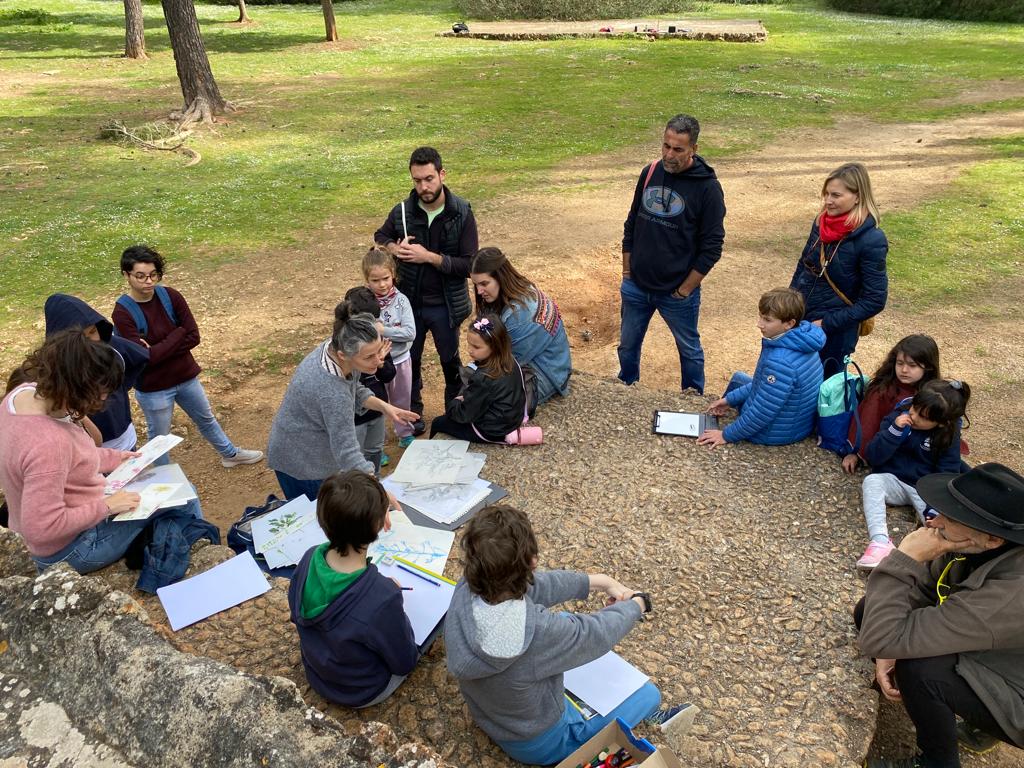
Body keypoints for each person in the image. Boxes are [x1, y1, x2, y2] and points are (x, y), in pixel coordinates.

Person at [445, 505, 690, 765]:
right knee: (649, 695)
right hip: (540, 742)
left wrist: (598, 581)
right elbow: (595, 633)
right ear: (532, 561)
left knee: (562, 624)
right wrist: (636, 605)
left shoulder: (468, 585)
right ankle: (648, 718)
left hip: (489, 714)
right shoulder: (539, 632)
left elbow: (534, 587)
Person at [857, 462, 1024, 768]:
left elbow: (882, 636)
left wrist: (904, 558)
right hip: (999, 649)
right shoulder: (972, 544)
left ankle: (937, 763)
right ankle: (982, 723)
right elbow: (920, 592)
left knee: (922, 668)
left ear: (994, 539)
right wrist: (887, 649)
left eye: (950, 515)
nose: (934, 520)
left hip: (1018, 689)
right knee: (869, 609)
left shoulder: (1011, 593)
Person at [0, 330, 202, 574]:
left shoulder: (21, 395)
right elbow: (41, 527)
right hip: (71, 549)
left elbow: (70, 458)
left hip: (67, 526)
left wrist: (116, 458)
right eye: (99, 394)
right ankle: (202, 560)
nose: (103, 400)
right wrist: (107, 506)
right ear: (76, 388)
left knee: (163, 487)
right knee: (186, 493)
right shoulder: (48, 444)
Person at [111, 245, 263, 468]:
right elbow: (145, 358)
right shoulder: (123, 312)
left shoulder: (170, 296)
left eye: (153, 274)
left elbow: (193, 337)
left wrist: (157, 349)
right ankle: (163, 476)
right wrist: (178, 332)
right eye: (140, 276)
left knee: (206, 419)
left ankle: (229, 455)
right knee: (159, 438)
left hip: (185, 378)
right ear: (126, 275)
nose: (148, 281)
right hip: (154, 389)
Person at [288, 471, 430, 708]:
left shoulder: (309, 557)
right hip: (362, 690)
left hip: (317, 672)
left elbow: (297, 615)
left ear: (323, 522)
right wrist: (394, 602)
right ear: (378, 524)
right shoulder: (382, 598)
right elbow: (404, 662)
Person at [374, 146, 479, 435]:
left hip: (446, 305)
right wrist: (395, 248)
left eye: (429, 179)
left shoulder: (462, 213)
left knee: (449, 360)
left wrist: (428, 257)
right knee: (411, 361)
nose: (424, 186)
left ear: (442, 174)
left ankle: (454, 412)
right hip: (409, 304)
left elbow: (470, 264)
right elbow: (380, 235)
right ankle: (412, 415)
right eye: (417, 180)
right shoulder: (403, 211)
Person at [618, 114, 726, 394]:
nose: (669, 154)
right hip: (636, 286)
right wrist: (627, 273)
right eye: (666, 146)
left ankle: (692, 398)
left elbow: (713, 246)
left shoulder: (708, 188)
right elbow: (632, 222)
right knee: (627, 345)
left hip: (677, 294)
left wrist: (685, 289)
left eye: (678, 149)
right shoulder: (650, 172)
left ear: (694, 149)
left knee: (689, 350)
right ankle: (624, 389)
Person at [267, 301, 418, 501]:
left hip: (307, 449)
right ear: (343, 355)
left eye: (379, 351)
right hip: (303, 463)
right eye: (369, 357)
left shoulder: (338, 346)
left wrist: (385, 407)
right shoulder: (331, 392)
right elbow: (347, 451)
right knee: (321, 521)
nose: (378, 361)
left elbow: (354, 388)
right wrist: (379, 491)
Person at [856, 379, 970, 571]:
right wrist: (894, 432)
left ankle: (937, 559)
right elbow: (873, 455)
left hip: (925, 487)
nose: (913, 415)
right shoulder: (899, 416)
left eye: (922, 416)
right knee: (872, 481)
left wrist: (936, 508)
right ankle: (880, 542)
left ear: (941, 424)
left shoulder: (948, 435)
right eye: (914, 408)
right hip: (893, 479)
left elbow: (947, 472)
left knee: (937, 522)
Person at [790, 162, 888, 379]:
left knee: (821, 396)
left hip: (834, 337)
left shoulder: (872, 240)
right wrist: (788, 307)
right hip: (800, 322)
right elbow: (803, 265)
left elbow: (875, 300)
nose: (828, 201)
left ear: (858, 196)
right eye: (826, 194)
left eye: (835, 195)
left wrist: (826, 324)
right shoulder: (820, 222)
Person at [697, 288, 824, 448]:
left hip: (775, 432)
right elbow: (763, 384)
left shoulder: (780, 362)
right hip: (797, 422)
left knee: (738, 381)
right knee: (739, 379)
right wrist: (729, 400)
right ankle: (724, 407)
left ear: (789, 323)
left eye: (767, 320)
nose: (759, 324)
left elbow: (762, 411)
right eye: (760, 317)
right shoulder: (803, 340)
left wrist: (725, 434)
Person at [44, 293, 150, 451]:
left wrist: (119, 387)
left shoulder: (111, 347)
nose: (90, 341)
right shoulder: (53, 371)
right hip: (88, 452)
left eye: (92, 332)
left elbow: (139, 356)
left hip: (126, 441)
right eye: (81, 337)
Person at [470, 247, 571, 406]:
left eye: (484, 283)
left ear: (501, 277)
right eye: (475, 284)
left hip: (544, 374)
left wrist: (473, 374)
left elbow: (506, 363)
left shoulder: (522, 314)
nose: (479, 290)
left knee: (487, 404)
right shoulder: (514, 293)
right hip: (527, 363)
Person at [842, 335, 941, 474]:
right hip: (885, 451)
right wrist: (856, 452)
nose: (904, 370)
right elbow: (867, 422)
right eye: (900, 363)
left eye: (912, 365)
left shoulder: (933, 393)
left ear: (928, 367)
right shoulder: (882, 390)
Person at [429, 315, 525, 444]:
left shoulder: (484, 377)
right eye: (469, 344)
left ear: (495, 346)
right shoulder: (510, 360)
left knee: (438, 423)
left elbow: (464, 414)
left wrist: (455, 403)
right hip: (513, 419)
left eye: (476, 347)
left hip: (492, 430)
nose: (470, 350)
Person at [363, 248, 417, 449]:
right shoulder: (364, 302)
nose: (382, 284)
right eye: (375, 280)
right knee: (375, 402)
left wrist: (383, 330)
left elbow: (410, 333)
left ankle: (404, 433)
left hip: (400, 359)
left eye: (385, 278)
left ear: (393, 274)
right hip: (373, 363)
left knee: (401, 398)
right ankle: (377, 444)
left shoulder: (401, 301)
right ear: (366, 280)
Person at [344, 286, 396, 475]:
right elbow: (349, 382)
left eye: (374, 321)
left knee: (375, 449)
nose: (371, 327)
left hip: (377, 410)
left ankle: (376, 482)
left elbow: (390, 375)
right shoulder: (347, 346)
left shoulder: (377, 340)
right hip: (355, 417)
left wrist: (380, 363)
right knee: (356, 455)